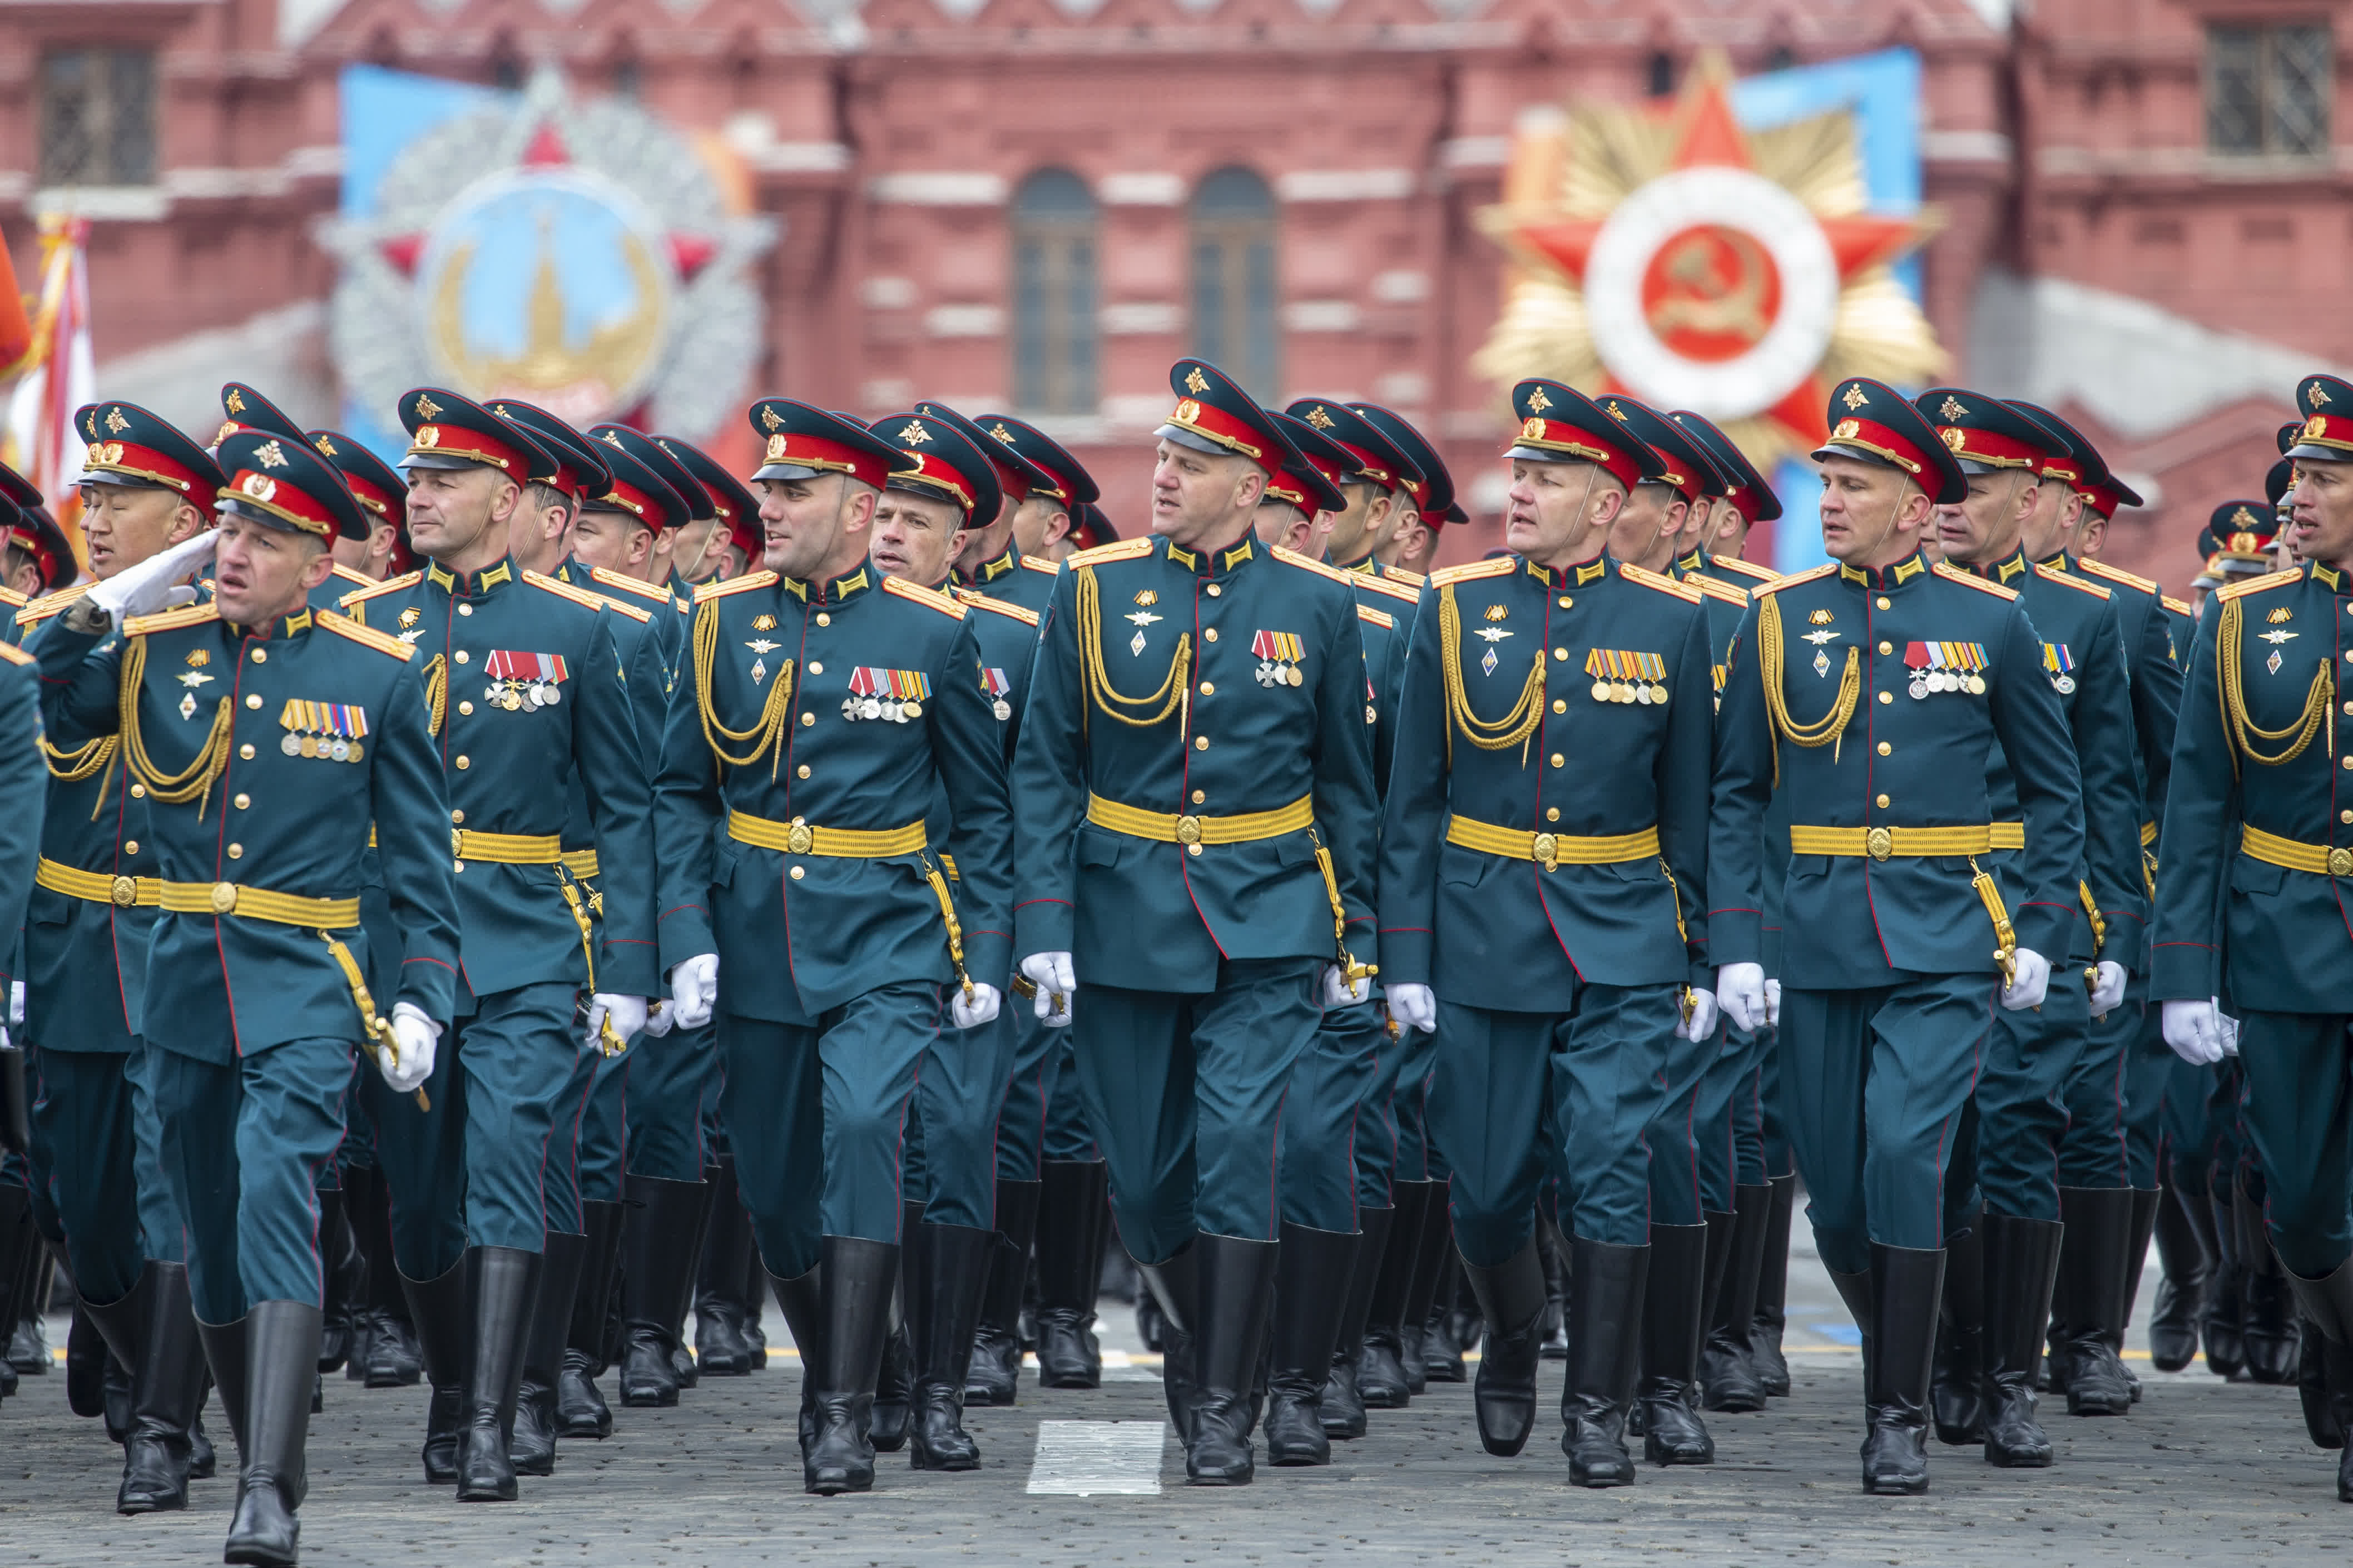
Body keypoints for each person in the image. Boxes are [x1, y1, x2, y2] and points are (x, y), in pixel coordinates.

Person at [36, 425, 459, 1566]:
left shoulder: (375, 673)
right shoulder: (156, 648)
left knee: (278, 1186)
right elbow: (56, 695)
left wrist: (419, 996)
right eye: (229, 527)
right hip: (175, 983)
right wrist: (117, 592)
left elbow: (420, 863)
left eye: (266, 537)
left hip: (308, 985)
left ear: (320, 561)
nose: (235, 550)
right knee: (209, 1244)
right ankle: (242, 1438)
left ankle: (270, 1492)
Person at [1709, 377, 2084, 1495]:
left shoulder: (1987, 621)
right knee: (1836, 1189)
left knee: (1900, 1154)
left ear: (1918, 505)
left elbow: (2055, 795)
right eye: (1824, 481)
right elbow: (1736, 792)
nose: (1827, 501)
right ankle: (1956, 1345)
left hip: (1943, 940)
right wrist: (1737, 941)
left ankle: (1898, 1414)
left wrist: (2038, 928)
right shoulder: (1776, 619)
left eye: (1853, 485)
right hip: (1815, 940)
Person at [1012, 358, 1378, 1486]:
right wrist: (1043, 921)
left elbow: (1347, 785)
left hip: (1267, 917)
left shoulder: (1316, 606)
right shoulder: (1096, 589)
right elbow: (1045, 766)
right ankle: (1206, 1342)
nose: (1165, 477)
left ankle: (1225, 1401)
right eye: (1166, 457)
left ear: (1251, 484)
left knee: (1236, 1149)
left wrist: (1356, 932)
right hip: (1124, 915)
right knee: (1147, 1182)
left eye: (1194, 464)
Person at [655, 396, 1013, 1495]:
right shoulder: (718, 620)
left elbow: (983, 813)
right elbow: (678, 791)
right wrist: (682, 931)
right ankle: (852, 1361)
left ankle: (844, 1414)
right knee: (769, 1187)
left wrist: (987, 956)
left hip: (889, 930)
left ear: (858, 509)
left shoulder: (934, 633)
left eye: (791, 492)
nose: (767, 507)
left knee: (864, 1124)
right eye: (765, 489)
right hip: (758, 931)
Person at [1379, 377, 1716, 1485]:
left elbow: (1695, 815)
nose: (1517, 493)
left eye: (1547, 478)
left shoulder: (1674, 623)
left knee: (1615, 1161)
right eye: (1517, 474)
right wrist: (1407, 953)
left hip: (1623, 937)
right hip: (1484, 939)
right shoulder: (1456, 605)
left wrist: (1707, 953)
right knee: (1484, 1189)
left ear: (1610, 500)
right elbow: (1413, 802)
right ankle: (1514, 1331)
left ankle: (1597, 1413)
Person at [341, 388, 657, 1502]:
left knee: (508, 1158)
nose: (417, 497)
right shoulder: (368, 626)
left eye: (443, 482)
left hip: (530, 941)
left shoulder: (576, 631)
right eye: (414, 481)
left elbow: (625, 809)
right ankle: (450, 1382)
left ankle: (492, 1414)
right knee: (418, 1203)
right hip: (402, 950)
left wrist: (626, 968)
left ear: (508, 500)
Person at [1910, 390, 2142, 1467]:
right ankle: (1947, 1350)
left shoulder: (2084, 618)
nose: (1952, 506)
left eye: (1978, 488)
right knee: (1926, 1148)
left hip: (2036, 913)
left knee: (2012, 1132)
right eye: (1940, 486)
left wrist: (2112, 940)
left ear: (2036, 499)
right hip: (1916, 907)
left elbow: (2106, 791)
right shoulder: (1887, 606)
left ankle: (2009, 1379)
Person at [15, 406, 221, 1516]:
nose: (91, 519)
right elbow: (31, 681)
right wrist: (91, 614)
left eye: (118, 503)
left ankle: (163, 1418)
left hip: (185, 950)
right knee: (79, 1208)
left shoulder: (233, 632)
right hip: (78, 957)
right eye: (86, 500)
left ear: (185, 523)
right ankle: (139, 1365)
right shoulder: (62, 626)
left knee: (170, 1198)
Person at [2157, 373, 2353, 1505]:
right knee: (2304, 1204)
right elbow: (2197, 806)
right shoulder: (2242, 621)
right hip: (2280, 944)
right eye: (2294, 480)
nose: (2298, 497)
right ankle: (2330, 1325)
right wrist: (2187, 971)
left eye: (2324, 479)